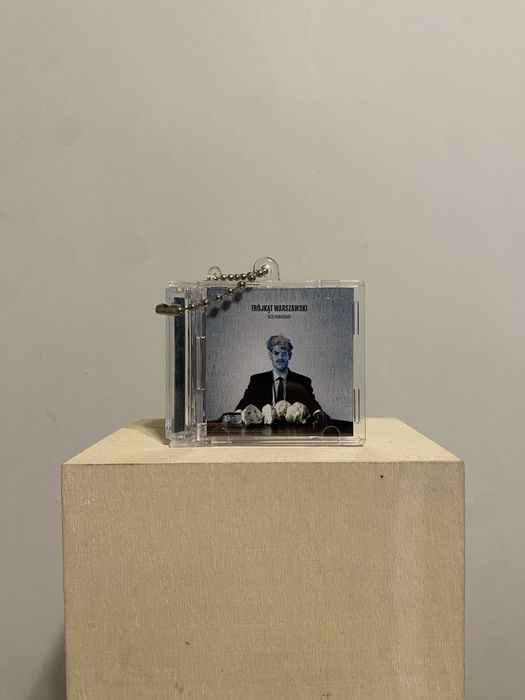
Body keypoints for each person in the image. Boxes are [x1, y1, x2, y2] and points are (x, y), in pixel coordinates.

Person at [235, 334, 329, 423]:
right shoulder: (257, 380)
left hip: (293, 431)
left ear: (290, 356)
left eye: (284, 353)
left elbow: (312, 403)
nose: (280, 357)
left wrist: (318, 413)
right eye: (276, 353)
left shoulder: (302, 381)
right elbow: (245, 402)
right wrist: (237, 415)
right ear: (270, 355)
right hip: (264, 429)